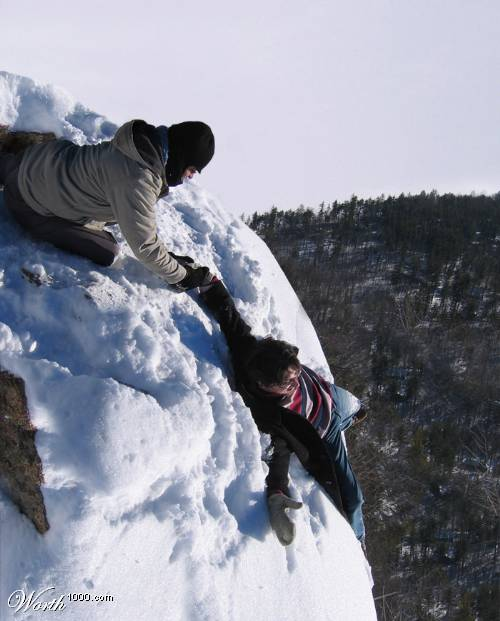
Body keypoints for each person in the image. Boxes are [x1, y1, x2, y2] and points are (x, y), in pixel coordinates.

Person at [198, 277, 366, 547]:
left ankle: (355, 411)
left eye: (296, 368)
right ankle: (359, 540)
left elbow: (232, 321)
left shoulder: (256, 353)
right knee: (353, 497)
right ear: (265, 385)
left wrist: (210, 284)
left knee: (356, 405)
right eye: (288, 381)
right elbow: (280, 450)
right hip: (326, 427)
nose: (295, 379)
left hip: (328, 393)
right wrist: (277, 491)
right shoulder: (273, 414)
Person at [0, 120, 215, 291]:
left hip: (39, 158)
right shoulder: (139, 178)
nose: (189, 177)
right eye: (192, 170)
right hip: (26, 200)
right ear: (182, 158)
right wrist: (183, 276)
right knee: (107, 249)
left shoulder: (140, 143)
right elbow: (145, 247)